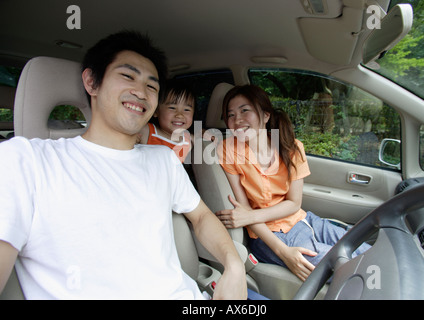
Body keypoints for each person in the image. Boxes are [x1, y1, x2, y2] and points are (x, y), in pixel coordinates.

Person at [0, 30, 246, 300]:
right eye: (128, 76)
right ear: (92, 82)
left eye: (151, 86)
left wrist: (233, 266)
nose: (140, 92)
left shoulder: (163, 160)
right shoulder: (24, 160)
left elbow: (201, 216)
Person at [215, 85, 369, 281]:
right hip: (269, 235)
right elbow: (243, 209)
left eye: (245, 110)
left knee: (364, 247)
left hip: (303, 219)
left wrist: (249, 216)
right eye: (230, 115)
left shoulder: (292, 147)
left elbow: (294, 203)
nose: (237, 120)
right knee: (353, 267)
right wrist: (283, 252)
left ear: (265, 115)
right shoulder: (227, 149)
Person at [138, 79, 194, 163]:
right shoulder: (146, 131)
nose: (179, 115)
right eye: (172, 108)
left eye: (186, 110)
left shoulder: (188, 139)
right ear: (156, 111)